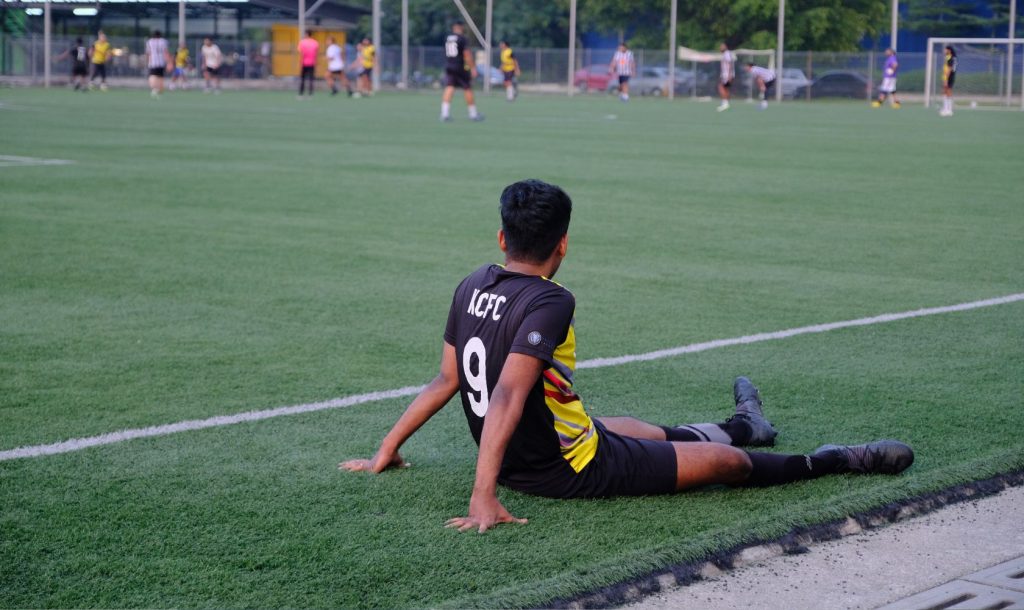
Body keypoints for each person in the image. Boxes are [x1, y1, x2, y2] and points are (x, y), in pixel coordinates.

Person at [340, 179, 915, 534]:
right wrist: (482, 494)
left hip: (544, 444)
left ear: (501, 239)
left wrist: (384, 452)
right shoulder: (551, 300)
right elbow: (511, 394)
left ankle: (744, 426)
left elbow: (446, 380)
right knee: (728, 469)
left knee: (637, 429)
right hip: (563, 468)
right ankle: (836, 458)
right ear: (563, 243)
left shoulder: (472, 283)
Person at [440, 22, 483, 122]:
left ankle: (445, 113)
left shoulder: (447, 38)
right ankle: (473, 114)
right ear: (460, 27)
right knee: (467, 88)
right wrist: (473, 68)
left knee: (449, 87)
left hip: (449, 65)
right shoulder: (462, 39)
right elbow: (467, 54)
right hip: (460, 67)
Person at [144, 30, 173, 98]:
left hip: (153, 62)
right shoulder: (163, 41)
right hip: (161, 62)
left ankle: (154, 89)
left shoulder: (149, 42)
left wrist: (147, 61)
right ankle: (159, 89)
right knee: (160, 76)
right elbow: (166, 52)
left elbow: (148, 53)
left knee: (152, 76)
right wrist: (169, 62)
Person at [297, 30, 319, 98]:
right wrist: (316, 63)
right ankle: (310, 93)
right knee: (311, 79)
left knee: (303, 78)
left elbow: (301, 54)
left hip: (304, 63)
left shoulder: (302, 42)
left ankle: (301, 93)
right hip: (312, 63)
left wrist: (300, 62)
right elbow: (316, 54)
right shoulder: (315, 43)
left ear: (306, 34)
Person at [717, 42, 736, 112]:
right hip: (725, 75)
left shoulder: (727, 53)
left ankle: (725, 103)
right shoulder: (725, 54)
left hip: (727, 75)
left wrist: (729, 75)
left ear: (725, 47)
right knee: (726, 89)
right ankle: (725, 103)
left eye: (722, 46)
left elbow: (730, 64)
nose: (720, 47)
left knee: (721, 87)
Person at [940, 45, 958, 117]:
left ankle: (949, 110)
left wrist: (946, 79)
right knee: (944, 92)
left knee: (948, 92)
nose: (944, 51)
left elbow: (950, 69)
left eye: (946, 50)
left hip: (949, 77)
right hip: (946, 76)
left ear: (949, 50)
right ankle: (945, 108)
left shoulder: (951, 58)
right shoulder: (949, 57)